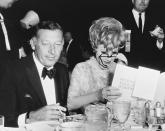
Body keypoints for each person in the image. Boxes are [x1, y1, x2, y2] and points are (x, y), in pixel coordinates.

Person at [0, 21, 70, 127]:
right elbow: (3, 119)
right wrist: (30, 117)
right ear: (33, 43)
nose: (53, 51)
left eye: (57, 44)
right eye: (46, 44)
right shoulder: (13, 71)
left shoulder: (62, 70)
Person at [67, 17, 128, 112]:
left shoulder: (120, 68)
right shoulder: (82, 69)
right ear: (94, 46)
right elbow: (70, 104)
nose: (109, 57)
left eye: (114, 52)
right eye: (103, 52)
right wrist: (98, 95)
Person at [116, 0, 165, 71]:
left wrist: (160, 41)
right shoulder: (121, 19)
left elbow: (160, 52)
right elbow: (127, 47)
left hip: (151, 69)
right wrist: (150, 35)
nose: (143, 1)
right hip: (129, 67)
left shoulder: (157, 18)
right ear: (133, 0)